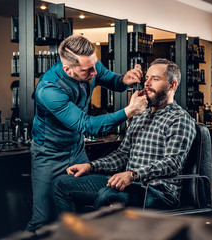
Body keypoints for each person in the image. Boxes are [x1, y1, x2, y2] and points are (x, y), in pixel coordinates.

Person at [26, 35, 148, 232]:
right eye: (87, 70)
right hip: (49, 154)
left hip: (76, 150)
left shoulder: (91, 64)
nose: (94, 72)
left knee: (79, 211)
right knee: (43, 218)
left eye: (95, 65)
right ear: (68, 69)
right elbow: (88, 125)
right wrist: (130, 111)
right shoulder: (49, 89)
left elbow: (114, 81)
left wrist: (125, 79)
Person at [53, 58, 196, 214]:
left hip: (158, 192)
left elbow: (172, 163)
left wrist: (133, 175)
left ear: (172, 85)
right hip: (129, 184)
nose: (147, 83)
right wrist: (90, 166)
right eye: (146, 78)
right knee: (61, 183)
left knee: (109, 196)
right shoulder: (141, 114)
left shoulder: (179, 119)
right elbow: (122, 155)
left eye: (155, 79)